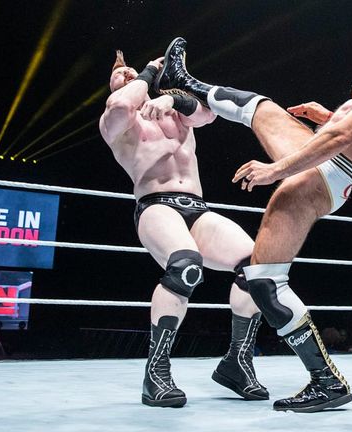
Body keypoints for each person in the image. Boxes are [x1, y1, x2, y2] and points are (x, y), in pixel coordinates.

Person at [153, 23, 352, 412]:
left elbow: (344, 139)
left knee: (265, 281)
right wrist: (325, 117)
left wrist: (277, 171)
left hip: (320, 174)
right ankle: (183, 80)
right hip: (328, 170)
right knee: (261, 108)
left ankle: (325, 381)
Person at [99, 50, 269, 407]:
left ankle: (237, 363)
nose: (128, 76)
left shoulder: (175, 113)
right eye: (121, 75)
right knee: (185, 265)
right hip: (155, 206)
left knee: (258, 268)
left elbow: (208, 114)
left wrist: (172, 95)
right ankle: (156, 372)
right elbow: (118, 105)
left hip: (197, 208)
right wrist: (146, 72)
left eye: (132, 72)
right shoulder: (117, 123)